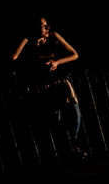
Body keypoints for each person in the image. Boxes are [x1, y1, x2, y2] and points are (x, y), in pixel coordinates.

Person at [10, 16, 83, 148]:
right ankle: (64, 144)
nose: (46, 28)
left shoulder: (53, 36)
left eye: (46, 25)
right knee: (55, 117)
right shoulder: (31, 41)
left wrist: (57, 62)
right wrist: (27, 40)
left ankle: (73, 140)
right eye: (42, 26)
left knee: (75, 113)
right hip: (44, 84)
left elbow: (74, 54)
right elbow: (14, 56)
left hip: (60, 80)